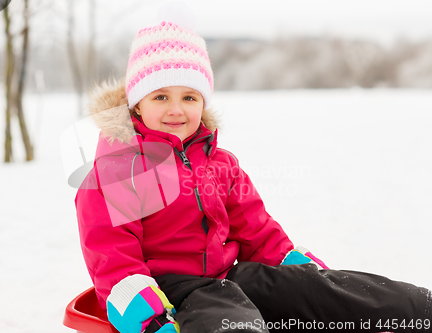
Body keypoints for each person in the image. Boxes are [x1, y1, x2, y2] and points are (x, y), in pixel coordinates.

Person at [75, 8, 431, 333]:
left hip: (230, 274)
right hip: (173, 292)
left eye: (189, 97)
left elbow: (255, 231)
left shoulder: (220, 163)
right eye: (161, 96)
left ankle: (419, 310)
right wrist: (148, 318)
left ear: (202, 102)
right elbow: (114, 259)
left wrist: (294, 267)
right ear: (137, 104)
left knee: (324, 291)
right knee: (235, 322)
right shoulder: (120, 169)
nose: (176, 110)